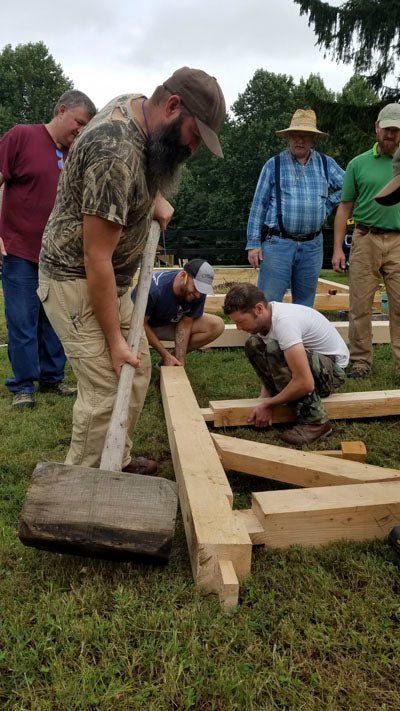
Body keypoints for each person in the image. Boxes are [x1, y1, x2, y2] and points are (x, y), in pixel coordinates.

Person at [38, 67, 226, 475]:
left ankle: (115, 461)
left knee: (135, 374)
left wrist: (153, 195)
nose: (192, 149)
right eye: (194, 136)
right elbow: (96, 259)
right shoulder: (113, 152)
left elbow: (146, 157)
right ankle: (80, 491)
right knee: (106, 389)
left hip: (113, 281)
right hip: (76, 281)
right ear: (173, 106)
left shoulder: (141, 107)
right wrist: (113, 340)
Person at [0, 90, 96, 409]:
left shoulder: (77, 155)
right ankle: (23, 385)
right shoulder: (21, 136)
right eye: (79, 122)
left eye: (86, 127)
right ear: (62, 110)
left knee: (55, 319)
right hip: (19, 250)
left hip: (59, 255)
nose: (81, 131)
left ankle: (53, 379)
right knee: (22, 319)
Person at [223, 283, 349, 446]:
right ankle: (286, 395)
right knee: (253, 344)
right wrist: (264, 399)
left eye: (241, 321)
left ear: (259, 309)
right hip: (313, 365)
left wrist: (270, 404)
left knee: (275, 349)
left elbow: (305, 382)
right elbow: (268, 362)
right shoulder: (266, 320)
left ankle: (316, 423)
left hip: (333, 371)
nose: (238, 328)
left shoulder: (285, 323)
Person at [247, 109, 344, 307]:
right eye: (295, 136)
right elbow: (259, 206)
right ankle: (264, 339)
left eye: (305, 136)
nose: (300, 140)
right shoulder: (273, 165)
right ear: (288, 138)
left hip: (312, 246)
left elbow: (349, 186)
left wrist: (327, 204)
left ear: (312, 139)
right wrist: (253, 243)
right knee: (268, 303)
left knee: (305, 305)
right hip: (277, 244)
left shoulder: (326, 164)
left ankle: (299, 339)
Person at [332, 103, 400, 379]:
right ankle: (360, 362)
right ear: (377, 127)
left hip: (398, 241)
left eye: (396, 130)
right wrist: (338, 248)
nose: (391, 135)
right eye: (387, 129)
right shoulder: (357, 164)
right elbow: (345, 207)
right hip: (364, 239)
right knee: (359, 305)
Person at [132, 258, 224, 366]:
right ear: (183, 276)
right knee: (138, 365)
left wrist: (180, 360)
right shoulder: (153, 290)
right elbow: (140, 324)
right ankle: (167, 358)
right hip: (140, 326)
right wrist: (165, 354)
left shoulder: (198, 292)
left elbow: (186, 323)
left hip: (169, 323)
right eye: (196, 287)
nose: (198, 295)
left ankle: (171, 361)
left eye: (202, 290)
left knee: (216, 325)